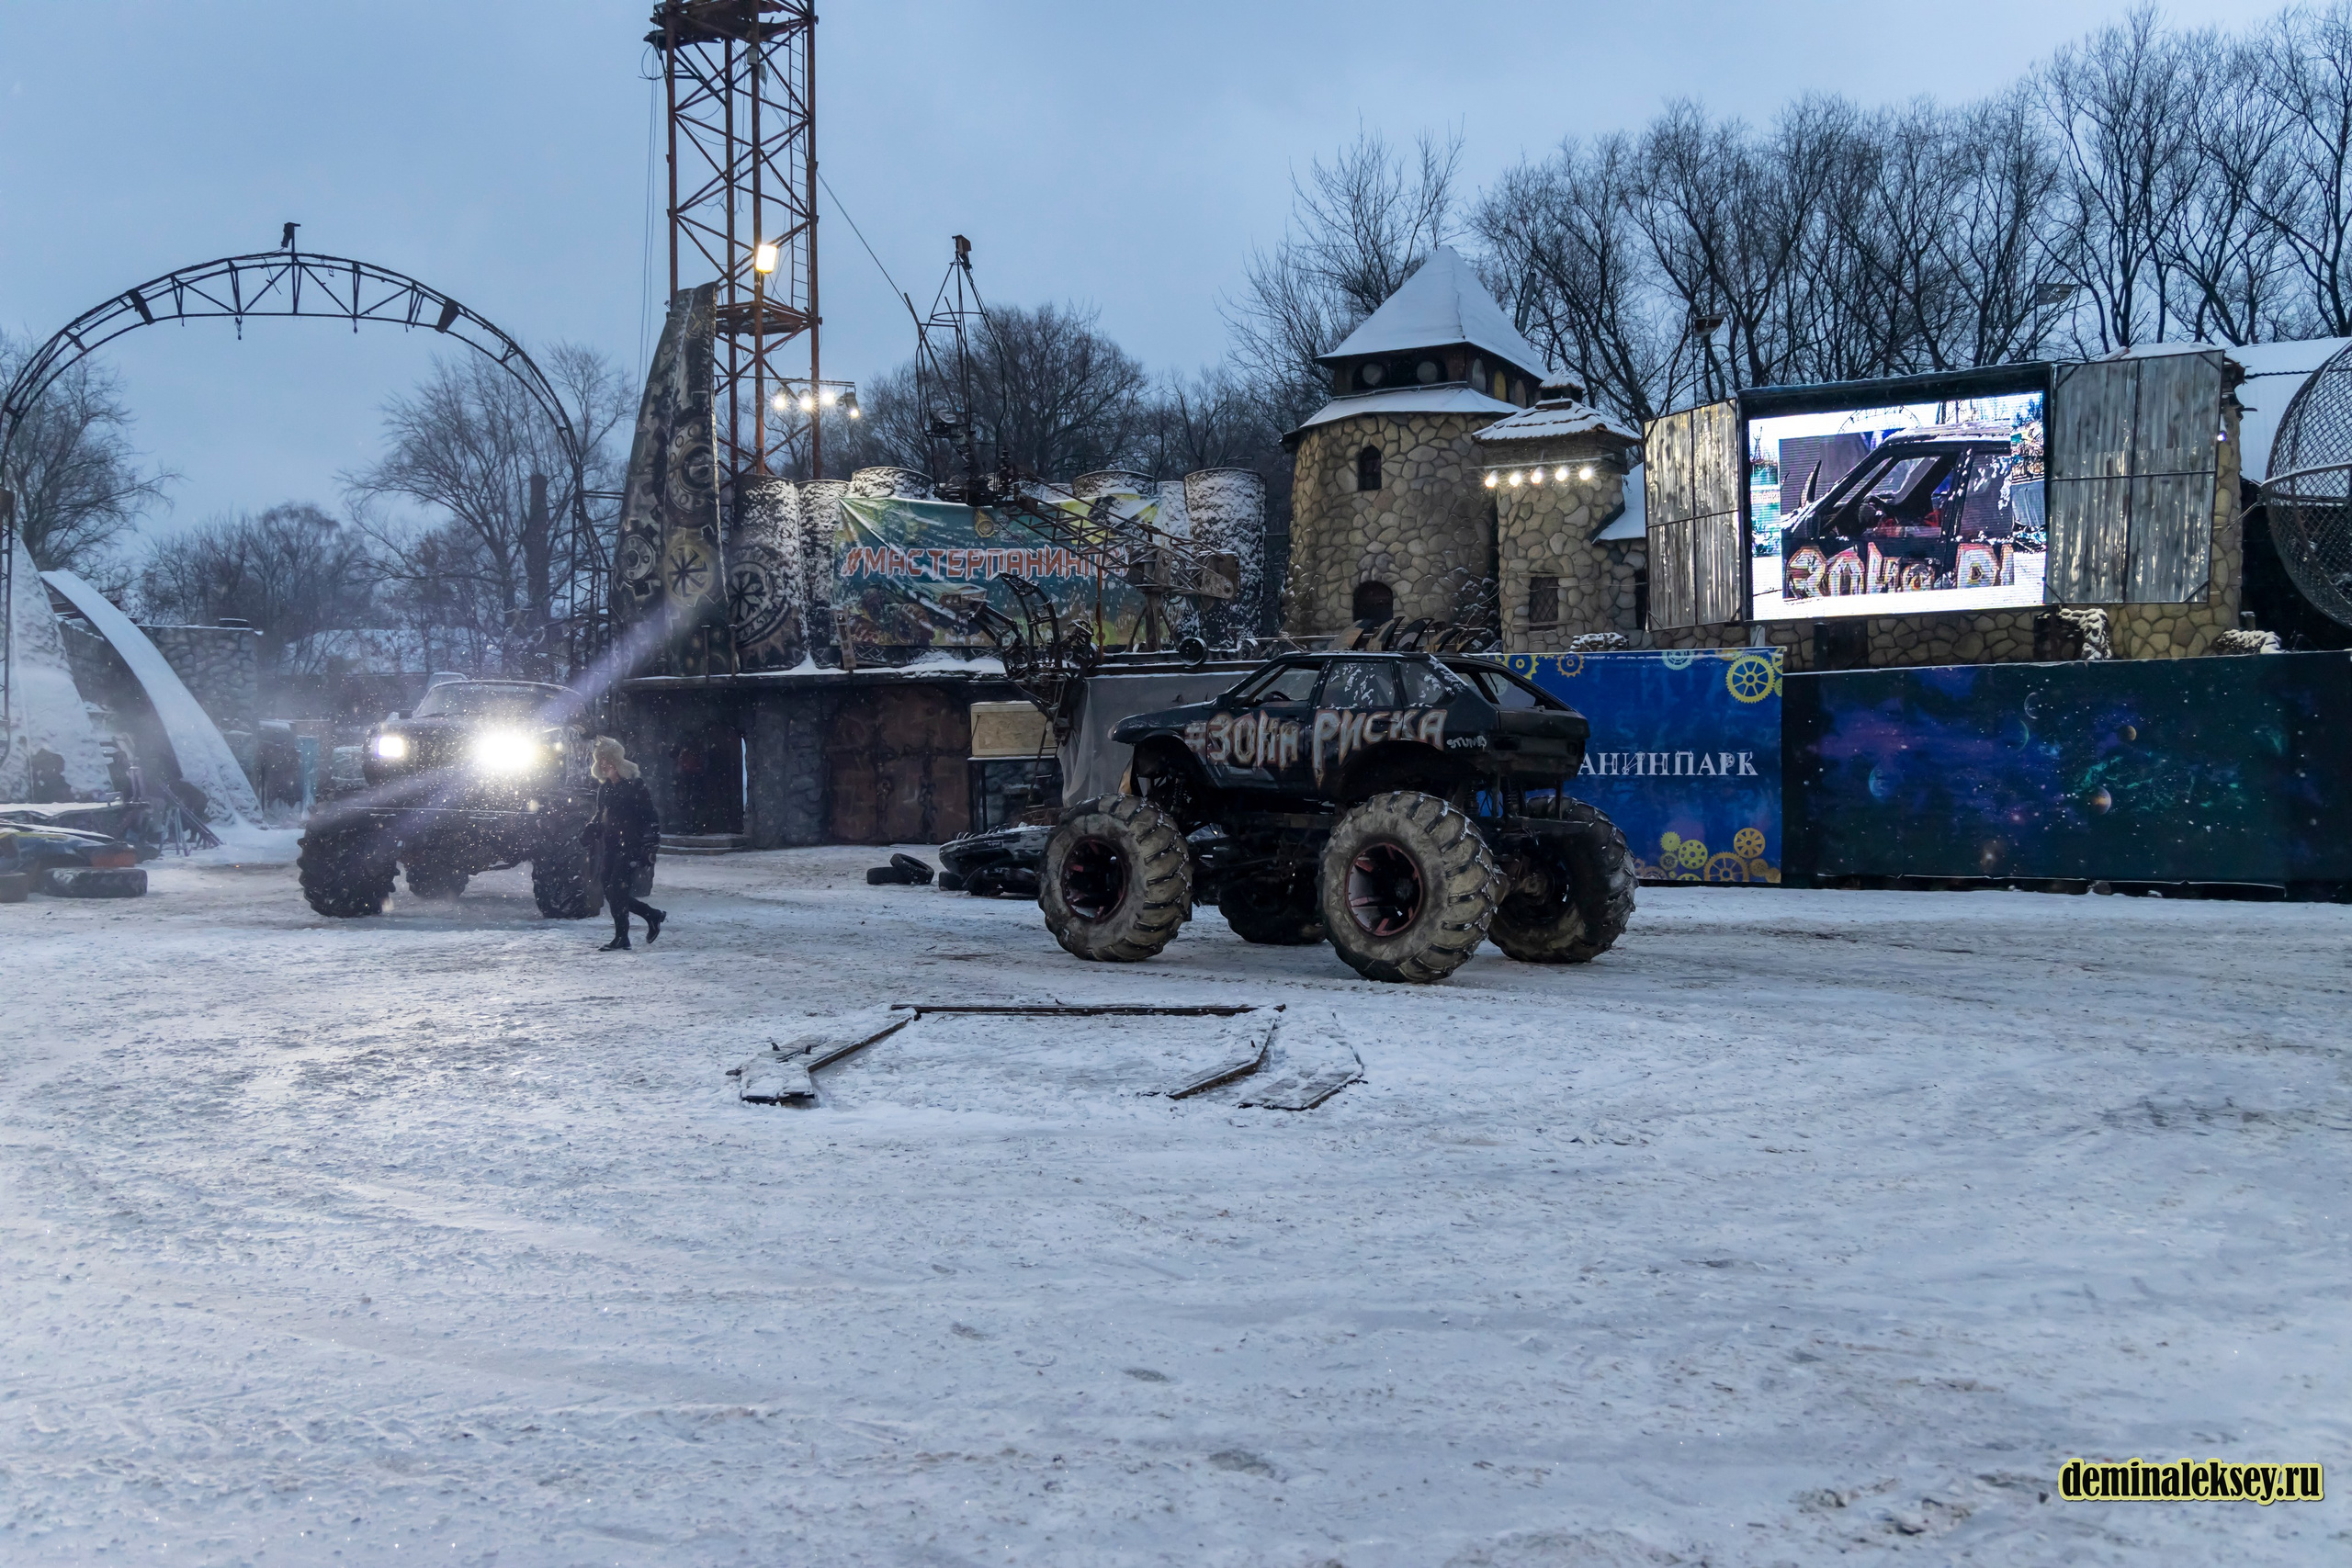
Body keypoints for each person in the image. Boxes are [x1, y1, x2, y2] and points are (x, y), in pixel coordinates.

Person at [585, 737, 665, 952]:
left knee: (618, 891)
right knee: (610, 891)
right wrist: (592, 827)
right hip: (611, 846)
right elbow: (601, 814)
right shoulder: (605, 788)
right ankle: (652, 915)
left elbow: (650, 816)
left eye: (608, 759)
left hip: (631, 845)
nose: (604, 764)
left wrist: (650, 844)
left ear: (617, 761)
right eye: (601, 760)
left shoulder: (634, 785)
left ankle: (622, 937)